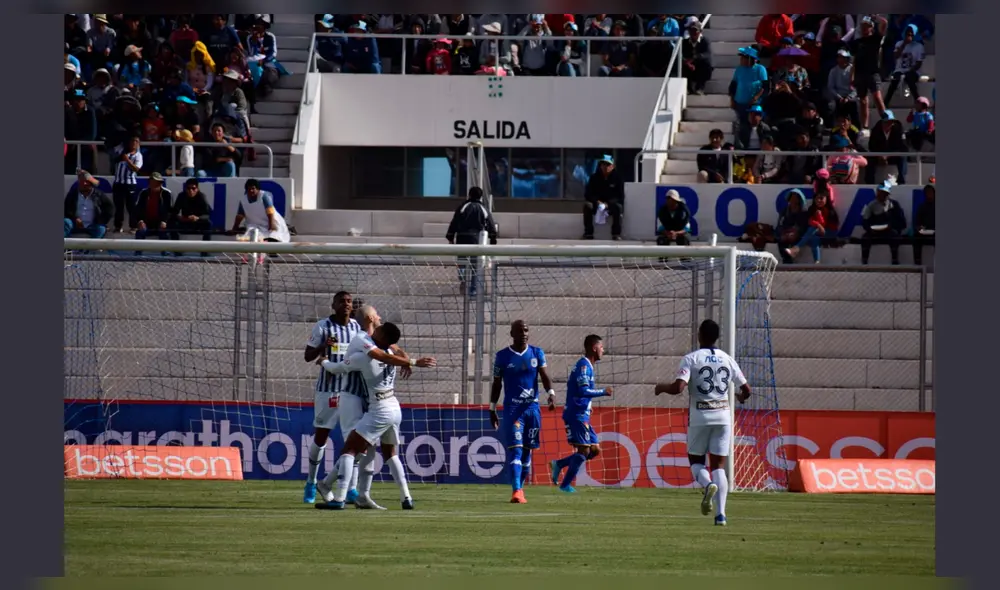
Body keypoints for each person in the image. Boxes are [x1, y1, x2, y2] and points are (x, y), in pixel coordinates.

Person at [315, 312, 433, 510]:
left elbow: (337, 369)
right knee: (389, 453)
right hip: (394, 406)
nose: (375, 328)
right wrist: (408, 360)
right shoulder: (393, 355)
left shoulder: (363, 356)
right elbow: (393, 351)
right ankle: (406, 498)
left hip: (378, 408)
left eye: (378, 329)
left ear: (382, 337)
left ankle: (339, 498)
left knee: (350, 450)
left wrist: (323, 361)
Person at [654, 319, 751, 527]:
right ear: (716, 337)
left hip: (700, 416)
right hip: (723, 417)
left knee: (696, 461)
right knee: (718, 466)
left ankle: (707, 486)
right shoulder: (727, 358)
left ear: (700, 335)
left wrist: (661, 387)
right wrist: (740, 398)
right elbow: (747, 390)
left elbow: (679, 388)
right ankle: (721, 515)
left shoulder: (691, 359)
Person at [302, 292, 363, 505]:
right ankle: (311, 482)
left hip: (351, 392)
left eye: (349, 301)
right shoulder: (323, 326)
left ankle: (352, 488)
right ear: (334, 305)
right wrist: (323, 346)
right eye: (342, 301)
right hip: (328, 391)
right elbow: (308, 356)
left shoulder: (357, 327)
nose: (346, 304)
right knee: (321, 436)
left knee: (354, 440)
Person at [490, 320, 556, 504]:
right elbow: (497, 384)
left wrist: (550, 393)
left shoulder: (537, 352)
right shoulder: (502, 356)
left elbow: (544, 376)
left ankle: (521, 488)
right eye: (520, 331)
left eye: (526, 330)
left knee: (527, 454)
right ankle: (516, 491)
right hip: (513, 410)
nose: (524, 333)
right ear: (512, 334)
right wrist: (492, 408)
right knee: (516, 451)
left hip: (532, 410)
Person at [550, 335, 613, 493]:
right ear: (594, 348)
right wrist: (603, 392)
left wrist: (587, 405)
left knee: (595, 450)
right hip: (576, 414)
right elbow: (583, 390)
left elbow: (578, 392)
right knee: (584, 450)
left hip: (582, 412)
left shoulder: (588, 366)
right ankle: (565, 486)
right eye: (601, 347)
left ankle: (559, 464)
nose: (603, 350)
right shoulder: (584, 366)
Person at [446, 186, 498, 298]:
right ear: (480, 196)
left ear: (469, 195)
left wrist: (450, 237)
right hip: (477, 240)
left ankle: (463, 279)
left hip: (462, 239)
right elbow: (491, 224)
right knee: (476, 265)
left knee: (462, 262)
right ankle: (473, 290)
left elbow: (454, 223)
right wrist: (493, 239)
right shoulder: (483, 209)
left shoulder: (462, 207)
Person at [860, 180, 907, 265]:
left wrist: (891, 225)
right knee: (865, 238)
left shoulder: (894, 204)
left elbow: (902, 222)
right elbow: (865, 221)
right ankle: (864, 262)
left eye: (884, 193)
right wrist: (870, 229)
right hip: (875, 232)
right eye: (880, 192)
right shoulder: (871, 205)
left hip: (889, 231)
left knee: (895, 237)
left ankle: (895, 261)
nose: (882, 195)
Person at [582, 155, 625, 241]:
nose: (605, 167)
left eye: (608, 165)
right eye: (603, 164)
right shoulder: (594, 178)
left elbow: (620, 196)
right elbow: (588, 194)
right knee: (587, 206)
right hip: (597, 204)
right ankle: (588, 233)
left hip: (610, 205)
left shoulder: (617, 178)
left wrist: (608, 204)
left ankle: (616, 234)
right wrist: (597, 201)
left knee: (618, 207)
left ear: (612, 166)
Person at [64, 170, 114, 239]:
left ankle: (93, 249)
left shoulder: (99, 194)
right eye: (82, 182)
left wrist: (100, 221)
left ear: (91, 184)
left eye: (86, 182)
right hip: (75, 224)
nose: (84, 184)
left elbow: (110, 209)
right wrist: (75, 218)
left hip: (92, 225)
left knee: (101, 229)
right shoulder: (73, 194)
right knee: (66, 222)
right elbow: (66, 209)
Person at [112, 136, 143, 233]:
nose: (134, 143)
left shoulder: (138, 156)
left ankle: (133, 226)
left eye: (136, 141)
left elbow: (137, 169)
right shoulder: (121, 153)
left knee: (131, 207)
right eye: (132, 141)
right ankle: (118, 226)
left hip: (130, 184)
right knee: (118, 206)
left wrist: (127, 160)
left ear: (138, 144)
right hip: (118, 183)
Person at [912, 183, 935, 266]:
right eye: (927, 193)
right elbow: (917, 222)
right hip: (924, 233)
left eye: (930, 193)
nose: (929, 195)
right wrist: (919, 228)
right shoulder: (922, 207)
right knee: (915, 238)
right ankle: (917, 264)